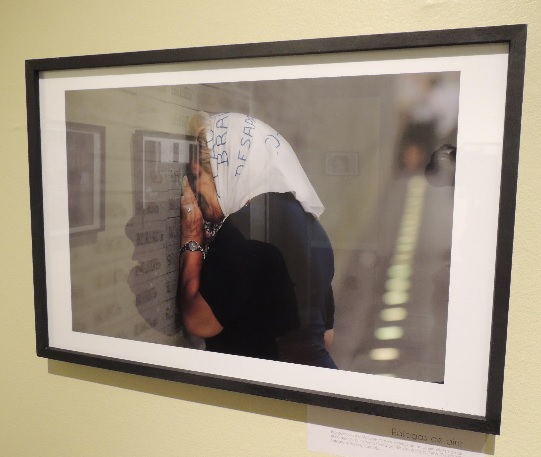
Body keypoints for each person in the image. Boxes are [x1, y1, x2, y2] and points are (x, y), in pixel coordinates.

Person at [177, 112, 336, 368]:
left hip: (270, 395)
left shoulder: (247, 230)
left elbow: (197, 321)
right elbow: (326, 337)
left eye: (198, 176)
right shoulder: (311, 225)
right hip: (314, 383)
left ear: (224, 170)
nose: (195, 190)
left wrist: (192, 238)